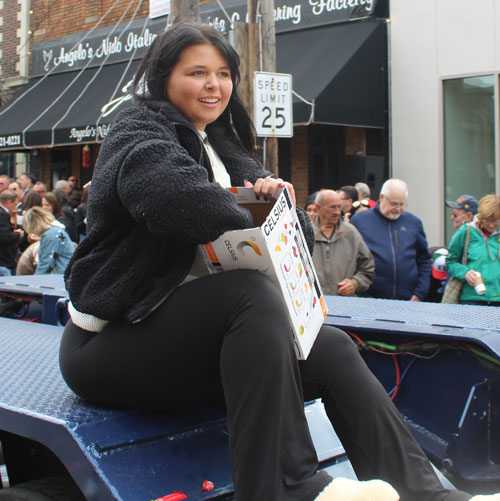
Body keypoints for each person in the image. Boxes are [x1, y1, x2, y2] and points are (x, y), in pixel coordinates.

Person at [58, 22, 499, 501]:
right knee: (247, 295)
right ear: (164, 76)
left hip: (191, 347)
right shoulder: (137, 131)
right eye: (198, 72)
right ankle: (293, 487)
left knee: (330, 347)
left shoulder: (224, 144)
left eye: (224, 74)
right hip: (109, 345)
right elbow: (176, 202)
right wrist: (251, 204)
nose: (214, 85)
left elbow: (296, 232)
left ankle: (424, 493)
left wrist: (275, 201)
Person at [351, 179, 431, 301]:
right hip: (370, 302)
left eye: (402, 204)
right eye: (394, 204)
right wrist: (364, 295)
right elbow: (351, 261)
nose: (398, 208)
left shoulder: (414, 223)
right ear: (382, 198)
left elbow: (424, 260)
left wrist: (419, 294)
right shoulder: (359, 221)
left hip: (409, 302)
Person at [312, 189, 374, 296]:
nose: (337, 212)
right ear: (318, 208)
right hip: (313, 305)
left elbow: (368, 266)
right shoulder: (304, 234)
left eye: (339, 207)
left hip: (344, 305)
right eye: (332, 207)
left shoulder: (351, 233)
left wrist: (355, 283)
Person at [446, 194, 500, 306]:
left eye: (495, 221)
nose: (491, 225)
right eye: (487, 221)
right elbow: (450, 262)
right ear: (480, 216)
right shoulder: (466, 231)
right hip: (471, 299)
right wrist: (465, 272)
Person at [22, 207, 74, 275]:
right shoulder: (56, 231)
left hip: (59, 276)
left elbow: (46, 263)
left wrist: (35, 279)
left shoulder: (50, 235)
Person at [0, 189, 23, 275]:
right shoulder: (2, 215)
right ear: (9, 202)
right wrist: (18, 234)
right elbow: (4, 236)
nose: (15, 208)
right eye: (14, 205)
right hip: (3, 261)